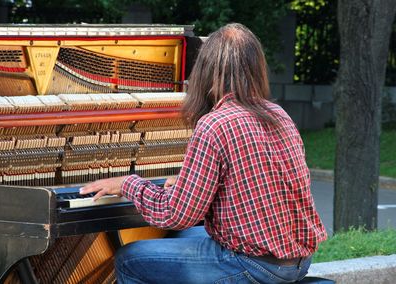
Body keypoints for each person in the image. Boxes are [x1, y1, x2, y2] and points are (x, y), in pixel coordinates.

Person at [80, 23, 327, 284]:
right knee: (182, 237)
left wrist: (128, 183)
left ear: (206, 72)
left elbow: (176, 214)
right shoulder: (279, 115)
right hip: (297, 262)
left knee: (129, 259)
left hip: (253, 266)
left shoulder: (215, 124)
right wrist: (190, 184)